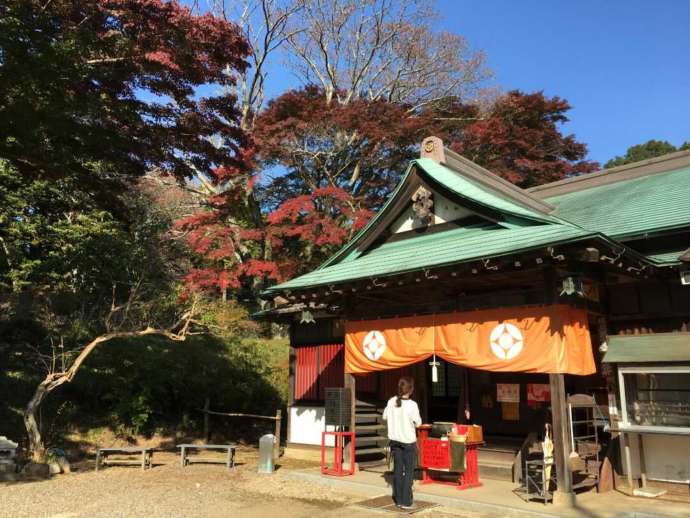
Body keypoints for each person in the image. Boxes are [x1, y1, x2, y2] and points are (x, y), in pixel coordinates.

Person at [382, 376, 422, 510]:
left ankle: (398, 499)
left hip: (395, 441)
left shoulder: (391, 401)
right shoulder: (412, 405)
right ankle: (407, 501)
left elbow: (384, 416)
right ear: (410, 390)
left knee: (398, 469)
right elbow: (418, 423)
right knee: (409, 471)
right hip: (408, 442)